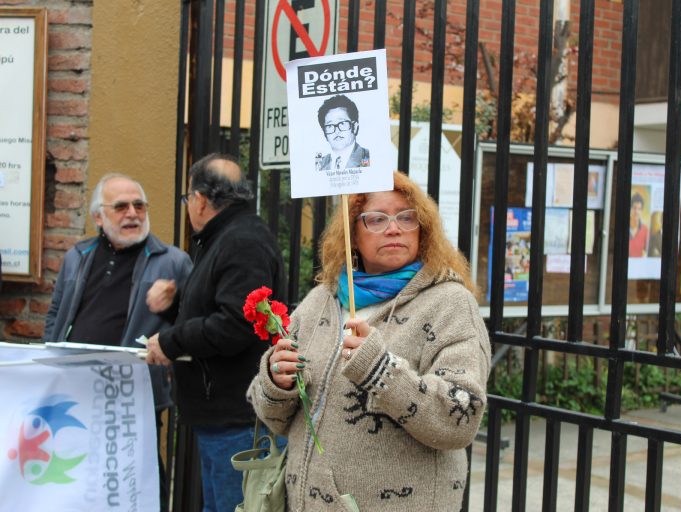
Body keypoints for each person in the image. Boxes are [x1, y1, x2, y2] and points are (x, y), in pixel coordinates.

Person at [248, 171, 491, 511]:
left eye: (406, 218)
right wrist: (276, 380)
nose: (394, 228)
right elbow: (276, 419)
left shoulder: (449, 303)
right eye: (376, 219)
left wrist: (382, 371)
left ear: (423, 230)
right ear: (353, 232)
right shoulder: (322, 299)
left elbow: (459, 421)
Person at [144, 153, 285, 512]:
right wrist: (176, 304)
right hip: (224, 416)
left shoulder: (241, 242)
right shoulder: (225, 237)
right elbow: (221, 309)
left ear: (200, 200)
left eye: (188, 198)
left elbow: (234, 325)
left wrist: (170, 342)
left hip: (238, 418)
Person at [44, 173, 193, 511]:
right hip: (74, 385)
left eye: (139, 205)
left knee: (136, 472)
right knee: (76, 468)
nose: (133, 213)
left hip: (132, 391)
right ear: (99, 216)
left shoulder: (172, 261)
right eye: (121, 206)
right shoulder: (77, 255)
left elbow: (190, 325)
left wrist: (174, 303)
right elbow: (56, 314)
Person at [316, 94, 370, 171]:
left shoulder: (367, 157)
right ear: (324, 132)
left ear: (354, 127)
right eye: (330, 126)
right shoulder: (319, 164)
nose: (337, 131)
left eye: (342, 123)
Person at [628, 192, 649, 257]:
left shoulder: (645, 230)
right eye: (634, 208)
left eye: (639, 209)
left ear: (642, 211)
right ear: (630, 209)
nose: (636, 211)